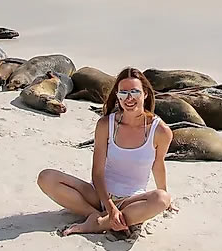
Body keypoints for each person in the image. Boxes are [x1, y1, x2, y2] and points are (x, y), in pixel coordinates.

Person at [38, 67, 174, 237]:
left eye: (135, 92)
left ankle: (101, 223)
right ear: (117, 96)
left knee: (162, 198)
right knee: (46, 177)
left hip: (131, 201)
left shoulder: (160, 131)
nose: (129, 98)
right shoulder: (105, 125)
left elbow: (158, 165)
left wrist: (165, 194)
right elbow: (97, 172)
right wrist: (109, 206)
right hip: (98, 196)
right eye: (123, 93)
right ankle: (98, 217)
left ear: (145, 94)